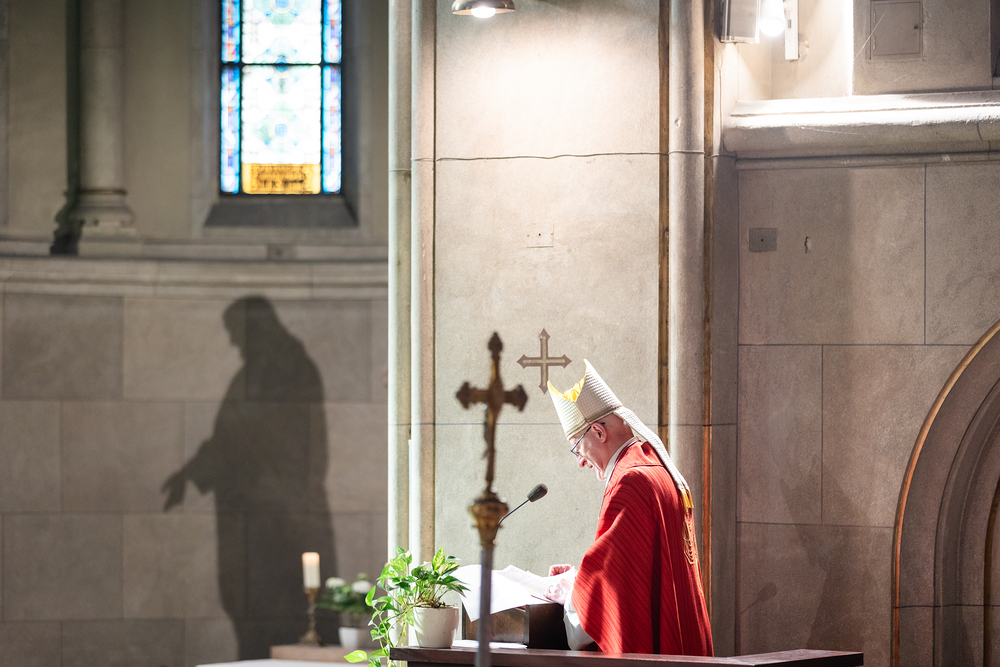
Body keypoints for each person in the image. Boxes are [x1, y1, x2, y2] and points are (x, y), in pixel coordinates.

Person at [544, 360, 713, 656]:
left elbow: (610, 599)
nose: (580, 461)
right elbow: (630, 572)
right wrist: (579, 579)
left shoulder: (630, 482)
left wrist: (569, 593)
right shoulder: (656, 469)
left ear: (599, 432)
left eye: (577, 448)